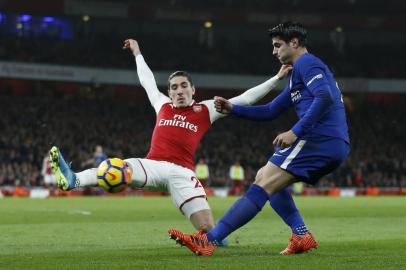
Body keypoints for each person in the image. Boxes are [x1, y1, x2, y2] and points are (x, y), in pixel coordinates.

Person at [49, 38, 292, 233]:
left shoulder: (206, 109)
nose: (179, 90)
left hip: (183, 173)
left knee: (209, 230)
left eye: (184, 85)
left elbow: (246, 98)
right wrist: (137, 53)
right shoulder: (163, 105)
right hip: (153, 165)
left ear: (193, 89)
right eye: (174, 87)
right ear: (170, 92)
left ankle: (213, 242)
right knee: (119, 167)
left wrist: (277, 79)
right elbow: (147, 82)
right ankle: (74, 180)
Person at [168, 21, 350, 256]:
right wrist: (233, 108)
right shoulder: (297, 75)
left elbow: (324, 97)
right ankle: (301, 234)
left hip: (320, 139)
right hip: (328, 141)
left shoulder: (307, 62)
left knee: (263, 184)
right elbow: (271, 110)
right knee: (264, 177)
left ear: (294, 43)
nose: (274, 51)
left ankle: (209, 240)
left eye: (277, 45)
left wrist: (295, 131)